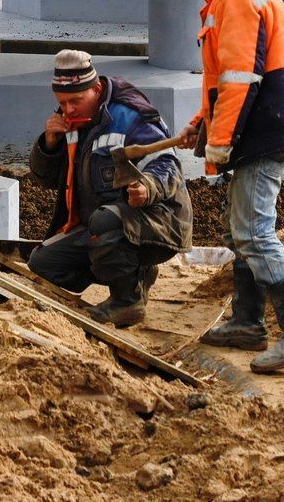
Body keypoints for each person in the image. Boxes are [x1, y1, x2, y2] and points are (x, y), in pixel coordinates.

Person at [175, 0, 284, 372]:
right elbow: (229, 79)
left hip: (264, 127)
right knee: (240, 228)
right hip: (263, 122)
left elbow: (241, 78)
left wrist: (219, 144)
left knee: (255, 231)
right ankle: (246, 322)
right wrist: (203, 124)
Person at [27, 49, 192, 327]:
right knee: (43, 264)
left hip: (160, 222)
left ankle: (127, 302)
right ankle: (136, 273)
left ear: (97, 88)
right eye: (62, 102)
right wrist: (49, 145)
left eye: (75, 101)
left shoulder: (130, 115)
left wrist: (148, 187)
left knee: (105, 222)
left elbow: (167, 164)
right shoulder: (71, 122)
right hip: (104, 227)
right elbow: (45, 181)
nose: (67, 110)